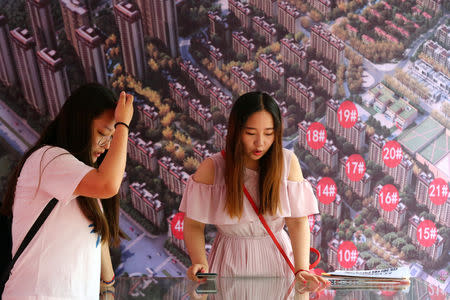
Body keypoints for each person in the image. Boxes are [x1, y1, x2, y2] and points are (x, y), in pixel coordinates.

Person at [179, 91, 329, 286]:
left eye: (268, 133)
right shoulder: (213, 167)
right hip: (229, 263)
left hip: (278, 262)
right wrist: (199, 262)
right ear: (236, 130)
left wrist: (302, 269)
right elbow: (193, 225)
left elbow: (298, 223)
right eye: (250, 133)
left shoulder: (287, 162)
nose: (260, 143)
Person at [1, 83, 134, 299]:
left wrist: (108, 287)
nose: (107, 145)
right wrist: (123, 126)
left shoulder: (82, 184)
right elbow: (108, 185)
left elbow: (96, 237)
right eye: (103, 133)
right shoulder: (48, 160)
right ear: (79, 122)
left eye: (111, 138)